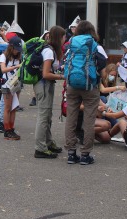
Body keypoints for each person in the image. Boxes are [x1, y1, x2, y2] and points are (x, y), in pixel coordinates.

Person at [64, 20, 106, 165]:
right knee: (89, 119)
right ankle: (85, 154)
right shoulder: (95, 45)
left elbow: (66, 61)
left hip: (72, 84)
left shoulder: (71, 43)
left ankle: (71, 153)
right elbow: (103, 68)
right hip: (90, 85)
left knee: (71, 118)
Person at [34, 25, 66, 159]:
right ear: (59, 37)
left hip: (45, 85)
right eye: (64, 36)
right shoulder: (49, 51)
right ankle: (40, 148)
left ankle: (48, 142)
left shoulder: (50, 50)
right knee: (43, 116)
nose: (65, 39)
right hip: (44, 85)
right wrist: (62, 76)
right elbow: (46, 74)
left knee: (47, 116)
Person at [0, 36, 23, 140]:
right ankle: (7, 130)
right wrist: (16, 67)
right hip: (6, 85)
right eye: (16, 49)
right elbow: (3, 69)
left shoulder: (19, 57)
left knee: (14, 107)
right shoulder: (3, 56)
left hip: (15, 84)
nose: (17, 51)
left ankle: (11, 129)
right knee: (7, 108)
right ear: (11, 47)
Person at [29, 30, 50, 107]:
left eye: (49, 37)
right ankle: (35, 98)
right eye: (46, 36)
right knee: (37, 83)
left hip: (44, 67)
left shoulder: (49, 46)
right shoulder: (40, 45)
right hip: (38, 67)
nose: (47, 38)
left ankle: (38, 99)